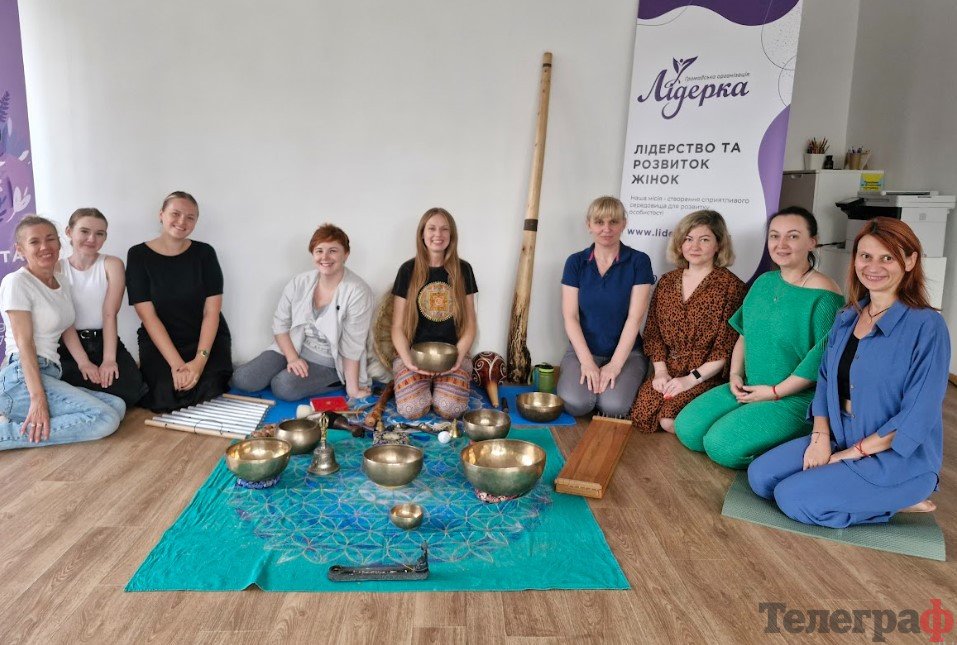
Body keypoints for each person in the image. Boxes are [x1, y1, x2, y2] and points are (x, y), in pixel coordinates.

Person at [748, 218, 948, 527]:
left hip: (894, 456)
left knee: (792, 498)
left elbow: (917, 415)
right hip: (841, 433)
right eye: (866, 256)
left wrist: (851, 453)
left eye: (888, 258)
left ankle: (897, 499)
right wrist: (820, 438)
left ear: (910, 261)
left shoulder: (927, 326)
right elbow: (825, 381)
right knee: (762, 478)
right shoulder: (848, 316)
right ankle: (870, 493)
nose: (873, 266)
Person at [674, 206, 844, 468]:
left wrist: (774, 392)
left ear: (813, 242)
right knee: (687, 429)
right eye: (775, 236)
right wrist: (735, 375)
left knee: (720, 446)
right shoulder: (764, 282)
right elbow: (744, 334)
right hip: (749, 385)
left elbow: (820, 360)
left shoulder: (826, 294)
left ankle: (798, 440)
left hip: (793, 398)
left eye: (793, 236)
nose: (781, 244)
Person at [0, 216, 124, 450]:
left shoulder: (61, 281)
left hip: (50, 372)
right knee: (105, 419)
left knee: (117, 406)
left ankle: (18, 417)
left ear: (59, 243)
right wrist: (38, 399)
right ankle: (7, 431)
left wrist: (84, 362)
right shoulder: (16, 282)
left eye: (50, 239)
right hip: (21, 377)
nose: (44, 247)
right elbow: (25, 344)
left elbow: (66, 326)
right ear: (20, 249)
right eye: (34, 242)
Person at [630, 210, 746, 433]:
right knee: (642, 415)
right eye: (688, 239)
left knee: (669, 420)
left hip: (706, 374)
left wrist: (691, 380)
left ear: (719, 245)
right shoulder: (667, 282)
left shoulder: (732, 288)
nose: (695, 246)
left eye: (704, 240)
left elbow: (725, 349)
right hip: (669, 370)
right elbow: (653, 333)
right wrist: (660, 372)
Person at [231, 224, 376, 401]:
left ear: (346, 254)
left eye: (333, 251)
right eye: (319, 251)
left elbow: (352, 347)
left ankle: (335, 380)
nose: (325, 257)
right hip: (294, 347)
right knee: (242, 378)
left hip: (329, 362)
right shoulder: (299, 282)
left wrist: (353, 389)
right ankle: (287, 372)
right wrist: (292, 358)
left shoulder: (358, 291)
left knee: (283, 386)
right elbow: (280, 325)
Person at [126, 191, 232, 412]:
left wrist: (199, 362)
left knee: (209, 391)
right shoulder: (137, 255)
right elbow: (148, 317)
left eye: (190, 217)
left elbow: (212, 312)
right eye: (175, 214)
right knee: (166, 398)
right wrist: (177, 365)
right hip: (161, 340)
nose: (182, 221)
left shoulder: (205, 253)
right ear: (161, 215)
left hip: (203, 338)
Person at [557, 196, 653, 417]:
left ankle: (607, 392)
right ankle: (594, 389)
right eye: (599, 222)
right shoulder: (575, 262)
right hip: (583, 350)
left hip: (626, 353)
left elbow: (635, 319)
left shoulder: (639, 261)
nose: (606, 229)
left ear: (624, 224)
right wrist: (587, 362)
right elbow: (570, 317)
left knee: (614, 407)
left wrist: (615, 365)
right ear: (589, 225)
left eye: (613, 222)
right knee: (575, 404)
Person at [391, 207, 477, 419]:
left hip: (453, 355)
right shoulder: (407, 270)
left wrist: (457, 358)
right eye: (431, 228)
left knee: (451, 409)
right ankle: (424, 386)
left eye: (444, 229)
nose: (438, 234)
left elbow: (470, 324)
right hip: (414, 355)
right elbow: (397, 327)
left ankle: (439, 388)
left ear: (451, 235)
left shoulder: (463, 270)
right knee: (411, 409)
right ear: (422, 234)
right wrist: (408, 361)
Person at [55, 208, 144, 407]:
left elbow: (110, 313)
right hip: (69, 343)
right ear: (69, 232)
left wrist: (109, 359)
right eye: (84, 231)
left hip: (105, 339)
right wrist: (83, 362)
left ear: (105, 237)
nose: (91, 239)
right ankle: (96, 402)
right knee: (68, 381)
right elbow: (65, 320)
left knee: (132, 391)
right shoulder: (57, 268)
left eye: (99, 233)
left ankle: (91, 401)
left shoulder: (112, 264)